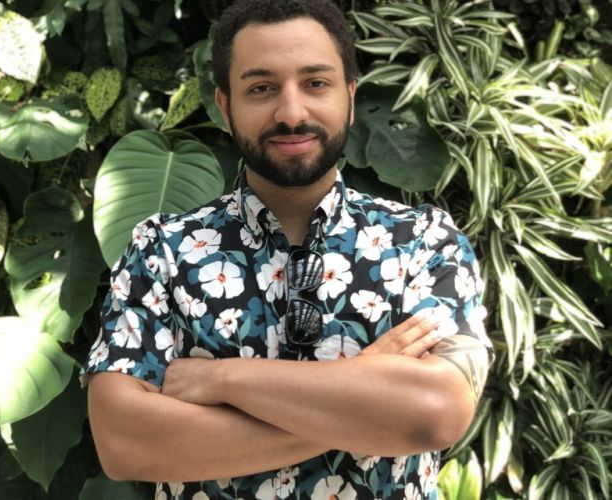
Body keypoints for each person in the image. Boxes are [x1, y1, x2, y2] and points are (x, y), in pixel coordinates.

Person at [84, 0, 493, 498]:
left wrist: (224, 381)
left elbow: (435, 413)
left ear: (349, 95)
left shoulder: (424, 241)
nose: (292, 112)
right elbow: (125, 443)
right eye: (261, 88)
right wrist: (366, 397)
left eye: (315, 83)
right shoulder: (164, 251)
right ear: (224, 104)